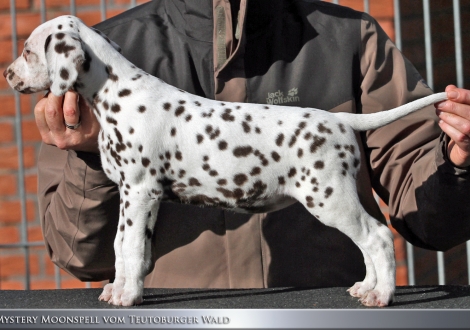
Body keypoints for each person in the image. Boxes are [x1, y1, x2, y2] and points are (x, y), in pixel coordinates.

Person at [34, 0, 470, 288]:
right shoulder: (103, 53)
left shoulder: (350, 38)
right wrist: (90, 156)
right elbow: (77, 255)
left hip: (323, 313)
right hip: (181, 315)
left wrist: (459, 162)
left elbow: (431, 216)